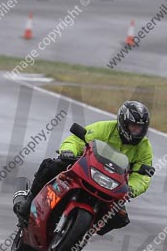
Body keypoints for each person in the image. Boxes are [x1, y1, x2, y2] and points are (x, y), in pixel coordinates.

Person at [14, 101, 154, 236]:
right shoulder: (104, 128)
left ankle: (84, 233)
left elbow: (143, 176)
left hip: (113, 185)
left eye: (139, 127)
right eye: (133, 126)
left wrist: (131, 188)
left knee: (120, 217)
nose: (136, 130)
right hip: (86, 169)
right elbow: (77, 139)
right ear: (123, 122)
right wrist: (68, 151)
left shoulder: (144, 147)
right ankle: (29, 201)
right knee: (52, 165)